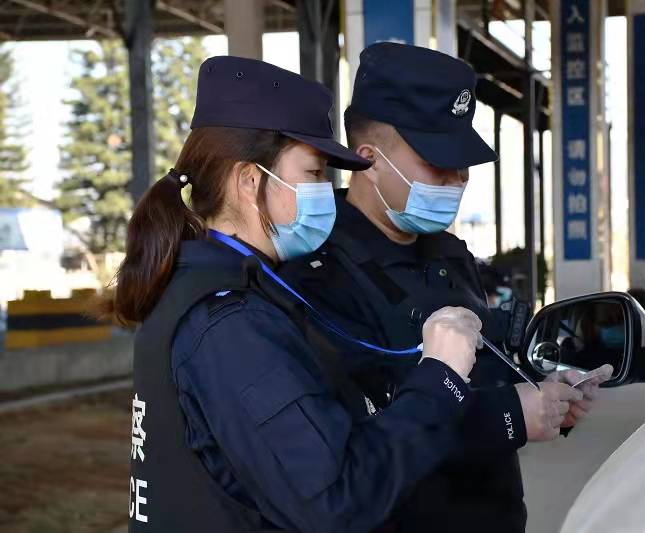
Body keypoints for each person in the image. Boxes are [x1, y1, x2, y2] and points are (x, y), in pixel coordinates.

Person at [105, 56, 491, 533]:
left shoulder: (207, 290)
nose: (326, 192)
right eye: (313, 173)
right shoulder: (232, 325)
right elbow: (337, 499)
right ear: (250, 181)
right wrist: (440, 377)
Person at [279, 43, 610, 533]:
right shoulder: (316, 271)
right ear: (369, 159)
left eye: (463, 162)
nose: (457, 178)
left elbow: (484, 372)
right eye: (438, 161)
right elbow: (361, 429)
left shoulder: (449, 253)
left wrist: (545, 395)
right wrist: (510, 415)